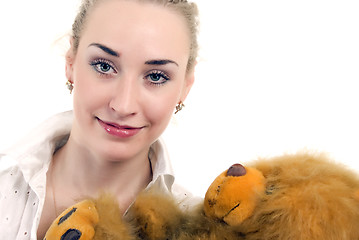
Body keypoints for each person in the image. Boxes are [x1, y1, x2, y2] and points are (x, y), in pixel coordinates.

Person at [0, 0, 199, 239]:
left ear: (185, 87)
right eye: (104, 66)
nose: (123, 105)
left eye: (156, 76)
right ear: (71, 62)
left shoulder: (199, 227)